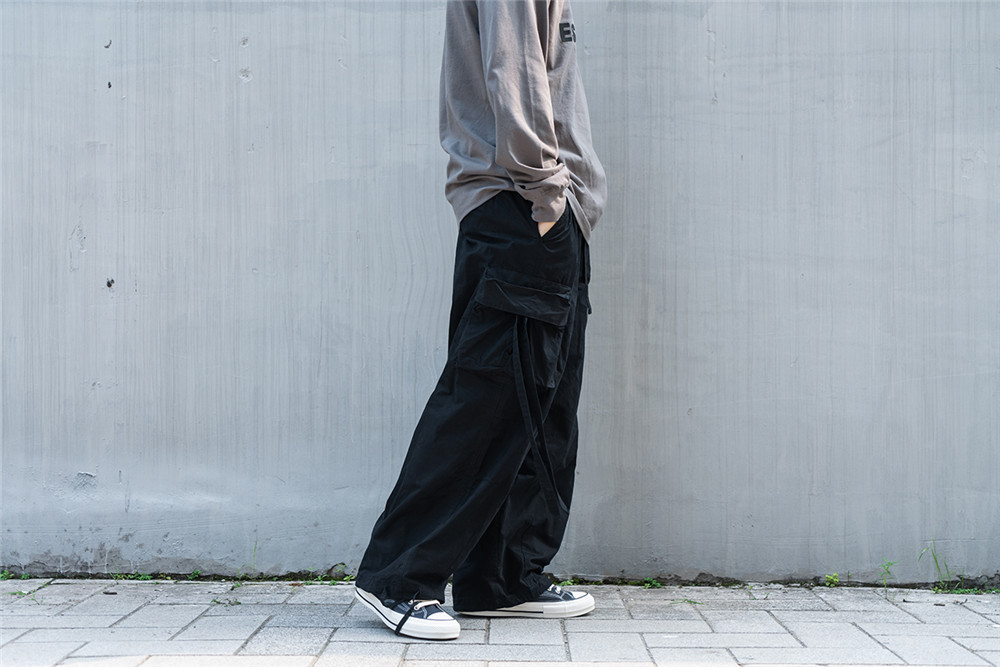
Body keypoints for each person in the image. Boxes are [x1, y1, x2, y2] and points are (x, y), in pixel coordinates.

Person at [354, 0, 607, 641]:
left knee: (541, 406)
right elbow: (512, 69)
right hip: (521, 204)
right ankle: (397, 574)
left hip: (547, 211)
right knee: (485, 402)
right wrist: (546, 194)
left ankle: (502, 575)